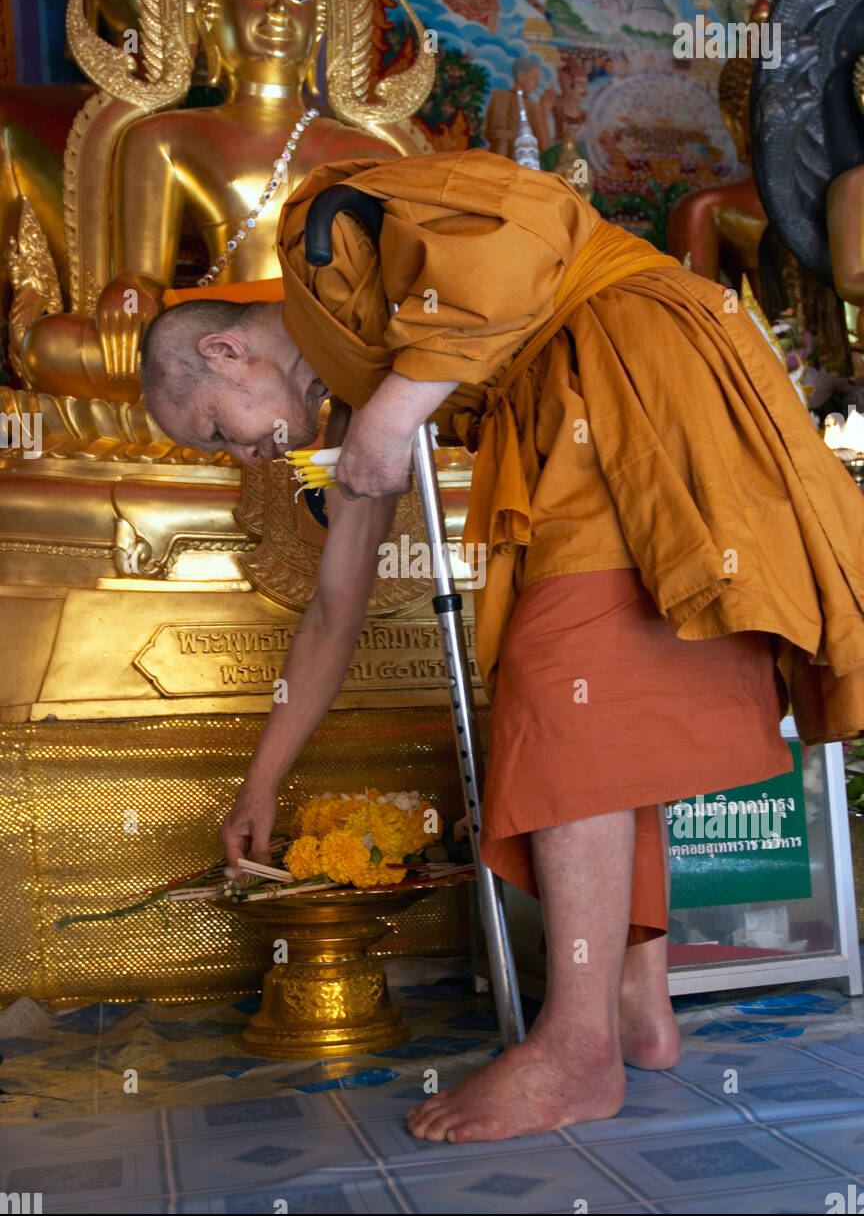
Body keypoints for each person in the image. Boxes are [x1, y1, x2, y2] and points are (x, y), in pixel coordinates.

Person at [140, 148, 864, 1144]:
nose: (244, 454)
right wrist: (263, 779)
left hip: (629, 358)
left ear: (225, 352)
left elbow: (533, 226)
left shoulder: (325, 227)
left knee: (563, 685)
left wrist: (399, 412)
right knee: (605, 696)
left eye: (218, 432)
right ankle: (631, 1004)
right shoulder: (358, 385)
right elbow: (333, 610)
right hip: (565, 414)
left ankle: (574, 1052)